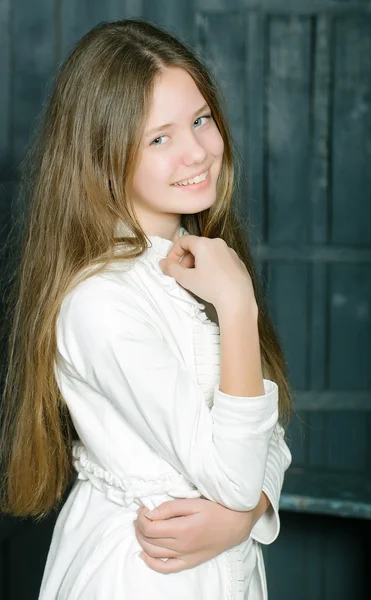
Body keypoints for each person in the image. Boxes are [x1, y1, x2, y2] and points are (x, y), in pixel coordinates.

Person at [0, 18, 294, 599]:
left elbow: (269, 432)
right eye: (159, 138)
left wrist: (246, 512)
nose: (198, 152)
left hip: (219, 569)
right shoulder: (101, 301)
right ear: (104, 158)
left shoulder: (200, 263)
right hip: (147, 573)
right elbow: (234, 475)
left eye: (200, 120)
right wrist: (237, 306)